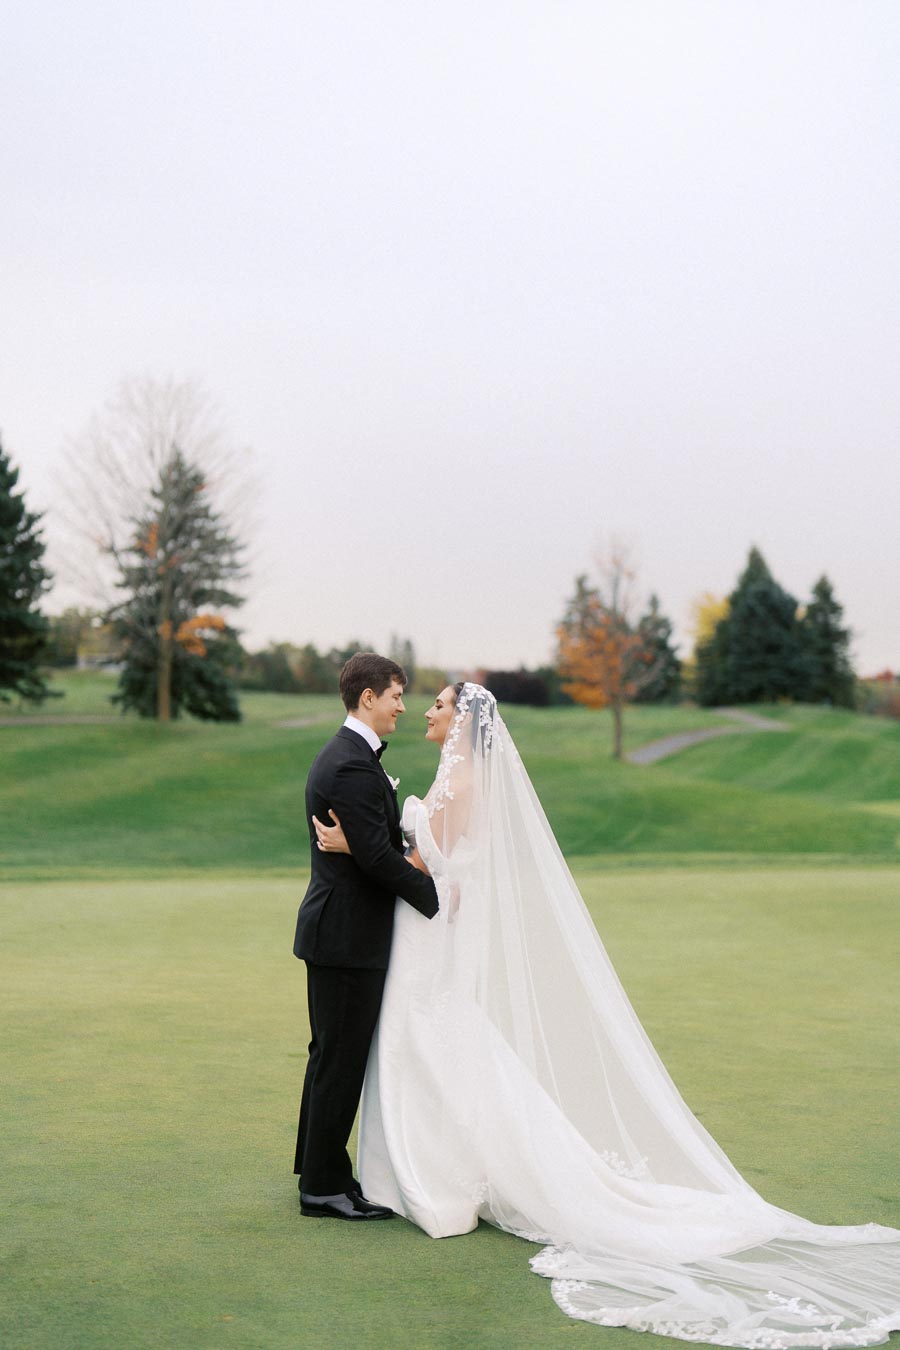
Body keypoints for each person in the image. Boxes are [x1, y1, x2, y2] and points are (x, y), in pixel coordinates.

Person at [314, 681, 900, 1344]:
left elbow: (419, 865)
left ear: (463, 722)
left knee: (422, 1039)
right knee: (431, 1040)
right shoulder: (462, 781)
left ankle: (433, 1179)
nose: (425, 710)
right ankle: (423, 1168)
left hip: (425, 929)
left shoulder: (461, 786)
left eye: (439, 705)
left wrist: (354, 850)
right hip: (433, 925)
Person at [292, 652, 439, 1221]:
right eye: (397, 695)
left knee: (330, 1055)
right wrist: (435, 899)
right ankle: (324, 1186)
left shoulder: (353, 755)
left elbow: (370, 847)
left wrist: (367, 848)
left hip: (342, 932)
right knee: (340, 1058)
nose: (403, 706)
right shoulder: (352, 763)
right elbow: (379, 856)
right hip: (347, 936)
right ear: (368, 697)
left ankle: (321, 1172)